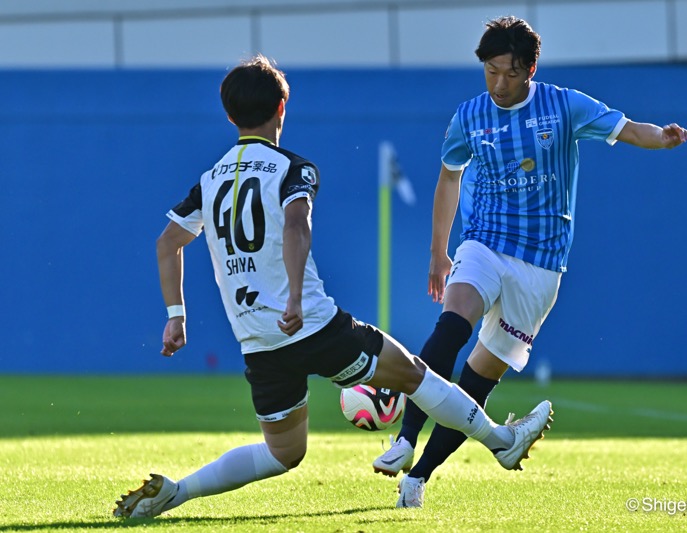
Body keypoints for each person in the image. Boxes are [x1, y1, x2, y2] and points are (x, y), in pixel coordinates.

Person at [112, 54, 554, 519]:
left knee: (283, 453)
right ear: (283, 108)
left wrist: (175, 316)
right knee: (416, 376)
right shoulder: (293, 168)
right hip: (312, 324)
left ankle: (176, 492)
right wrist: (298, 299)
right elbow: (296, 226)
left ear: (228, 115)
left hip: (258, 341)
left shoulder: (209, 180)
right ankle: (503, 442)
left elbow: (168, 243)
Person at [373, 16, 687, 508]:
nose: (500, 83)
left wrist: (662, 137)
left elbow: (629, 129)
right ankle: (405, 438)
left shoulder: (564, 106)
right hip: (483, 244)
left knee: (476, 382)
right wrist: (439, 251)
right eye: (491, 71)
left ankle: (418, 479)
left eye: (511, 73)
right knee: (453, 326)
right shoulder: (469, 117)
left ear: (531, 69)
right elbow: (449, 178)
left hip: (541, 267)